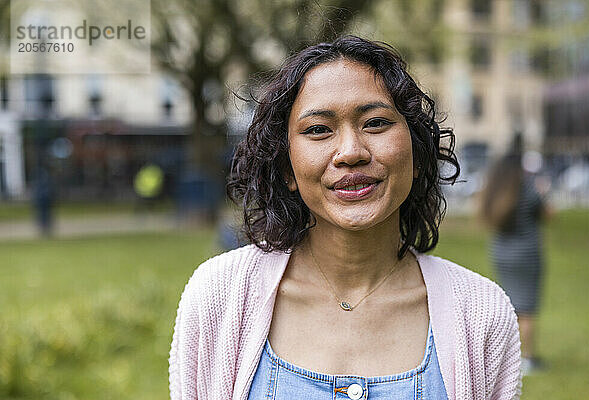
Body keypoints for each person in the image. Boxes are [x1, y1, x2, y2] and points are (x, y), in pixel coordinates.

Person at [169, 36, 522, 399]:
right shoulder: (219, 296)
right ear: (287, 167)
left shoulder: (481, 314)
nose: (351, 152)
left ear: (416, 152)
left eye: (375, 123)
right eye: (318, 129)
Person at [479, 134, 550, 375]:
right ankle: (526, 359)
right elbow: (548, 214)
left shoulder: (496, 188)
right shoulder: (527, 186)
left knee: (509, 305)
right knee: (526, 308)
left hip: (501, 252)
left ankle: (506, 358)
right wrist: (543, 192)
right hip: (527, 254)